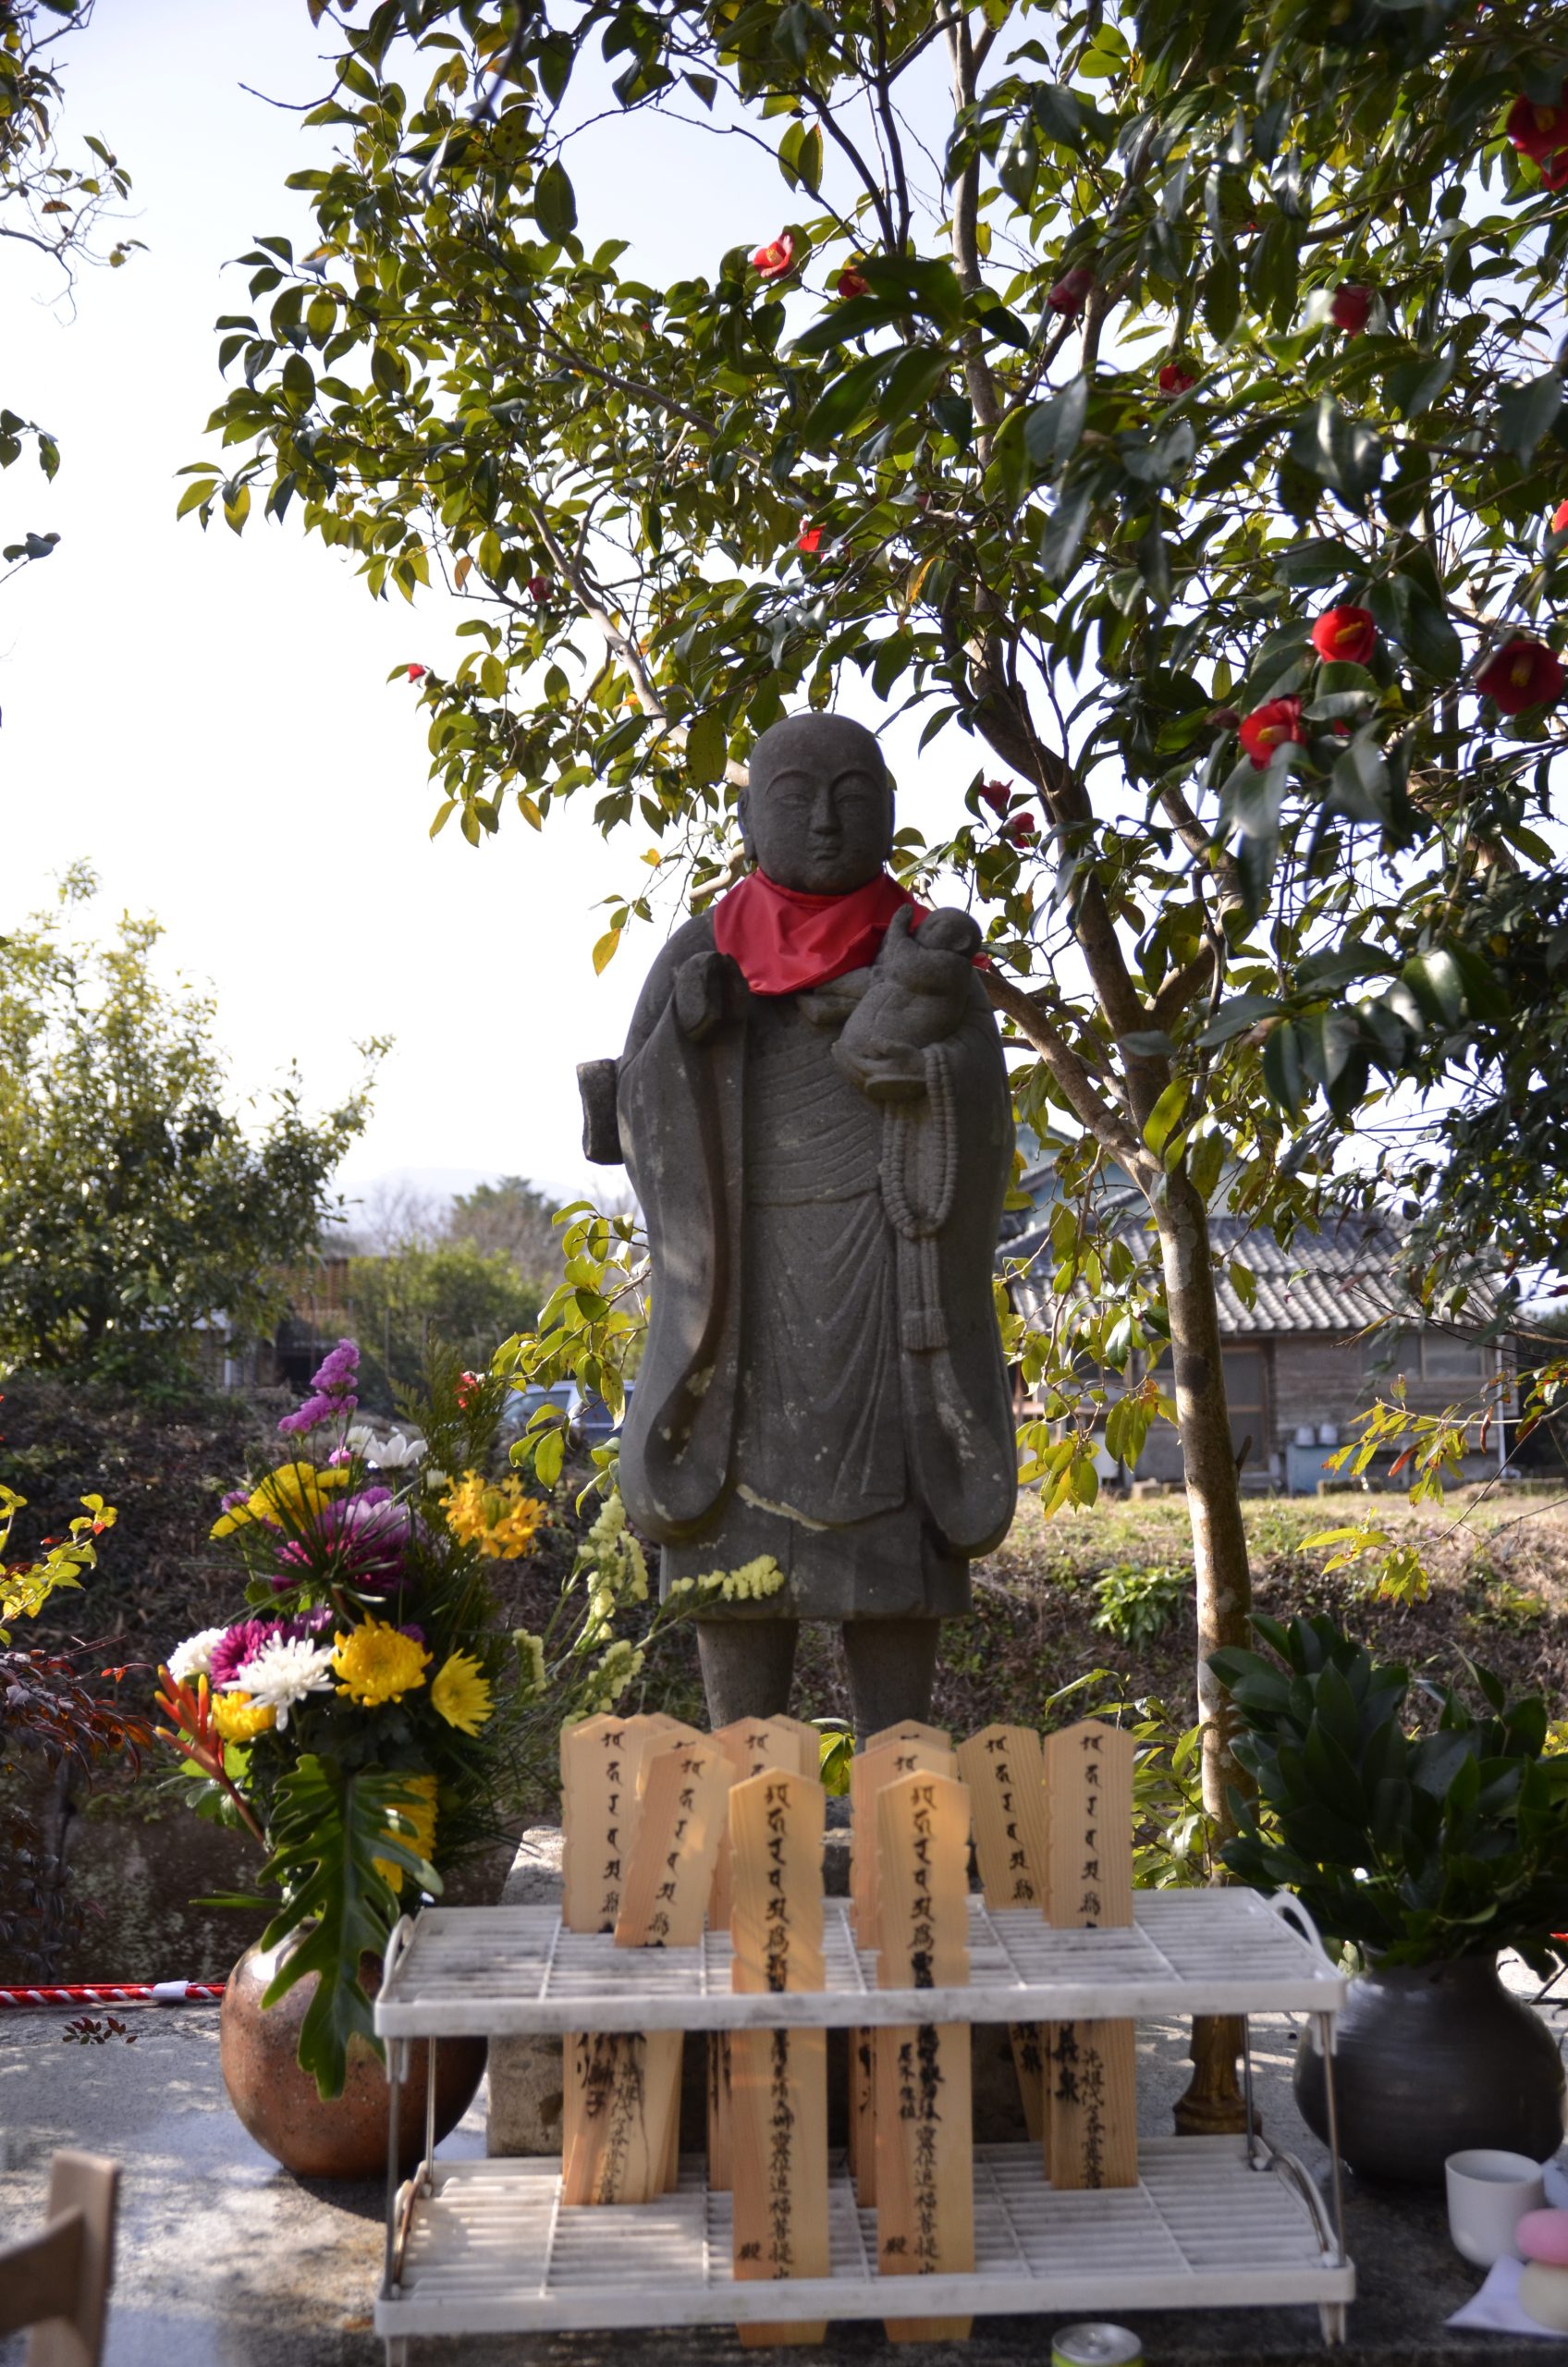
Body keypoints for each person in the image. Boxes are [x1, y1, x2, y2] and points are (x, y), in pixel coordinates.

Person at [581, 712, 1016, 1735]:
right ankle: (743, 1781)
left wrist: (928, 1076)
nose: (824, 822)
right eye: (794, 799)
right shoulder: (704, 950)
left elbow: (988, 1116)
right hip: (742, 1295)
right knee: (735, 1559)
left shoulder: (923, 956)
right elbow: (626, 1120)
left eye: (852, 799)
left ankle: (899, 1787)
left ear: (891, 814)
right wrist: (688, 1035)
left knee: (894, 1557)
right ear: (745, 819)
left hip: (889, 1277)